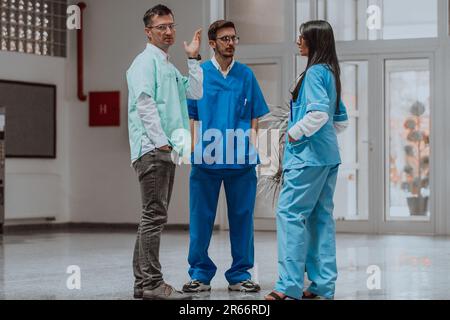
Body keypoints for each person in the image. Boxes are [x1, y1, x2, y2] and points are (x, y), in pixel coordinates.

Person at [182, 20, 270, 294]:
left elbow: (255, 115)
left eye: (233, 38)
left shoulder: (246, 75)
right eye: (224, 39)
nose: (231, 43)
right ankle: (200, 274)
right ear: (212, 43)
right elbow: (192, 117)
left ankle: (240, 274)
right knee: (200, 218)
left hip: (241, 160)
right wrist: (195, 150)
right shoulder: (200, 74)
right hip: (206, 159)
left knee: (242, 218)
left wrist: (252, 147)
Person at [265, 20, 349, 300]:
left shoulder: (313, 73)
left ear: (313, 41)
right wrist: (319, 139)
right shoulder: (331, 73)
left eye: (301, 37)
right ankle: (322, 287)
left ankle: (288, 286)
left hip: (307, 159)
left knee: (289, 215)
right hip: (327, 157)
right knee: (320, 219)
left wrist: (293, 134)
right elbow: (341, 121)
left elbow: (318, 115)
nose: (298, 42)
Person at [126, 4, 203, 300]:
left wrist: (193, 58)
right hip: (154, 150)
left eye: (171, 26)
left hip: (164, 150)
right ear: (148, 32)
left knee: (151, 216)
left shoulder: (168, 67)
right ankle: (152, 283)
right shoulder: (144, 63)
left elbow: (195, 91)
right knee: (154, 217)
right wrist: (160, 142)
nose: (169, 31)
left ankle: (141, 284)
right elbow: (144, 103)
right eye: (162, 27)